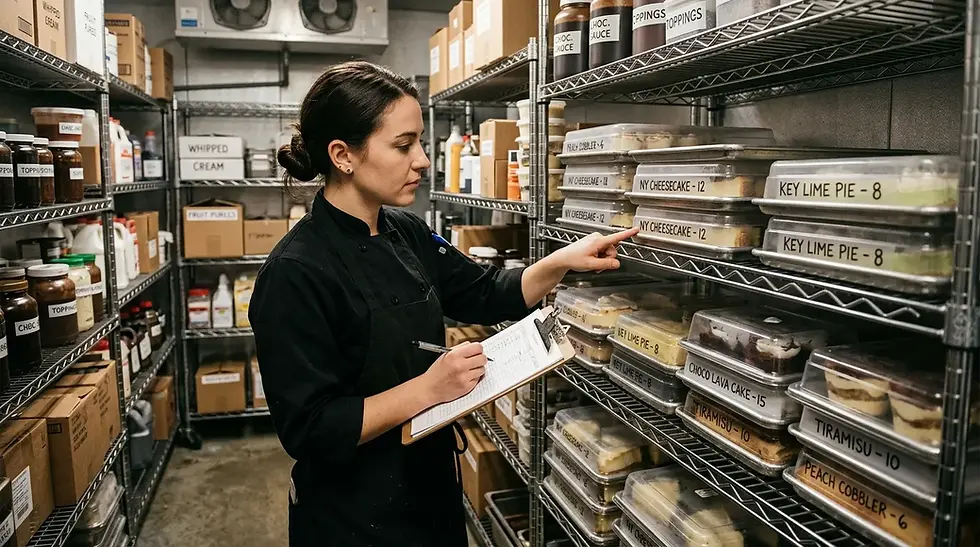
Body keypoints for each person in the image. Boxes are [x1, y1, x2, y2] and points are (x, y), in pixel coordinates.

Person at [249, 61, 638, 547]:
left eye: (421, 143)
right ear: (342, 155)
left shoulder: (406, 232)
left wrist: (561, 261)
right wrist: (428, 389)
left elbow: (485, 292)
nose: (423, 161)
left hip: (429, 487)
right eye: (403, 145)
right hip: (353, 514)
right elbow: (310, 429)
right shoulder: (295, 273)